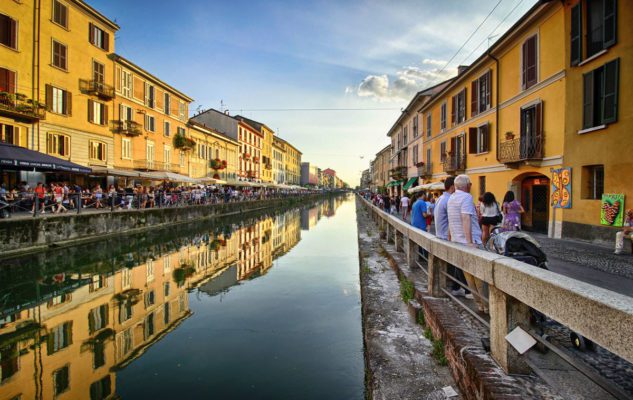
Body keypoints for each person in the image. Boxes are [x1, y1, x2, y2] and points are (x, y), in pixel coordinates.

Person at [447, 174, 487, 313]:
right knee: (480, 277)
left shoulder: (451, 198)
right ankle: (486, 306)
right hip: (470, 241)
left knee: (469, 277)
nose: (471, 185)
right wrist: (470, 242)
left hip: (457, 241)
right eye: (470, 183)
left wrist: (450, 237)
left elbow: (451, 220)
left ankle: (480, 305)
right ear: (467, 185)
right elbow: (465, 218)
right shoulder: (466, 197)